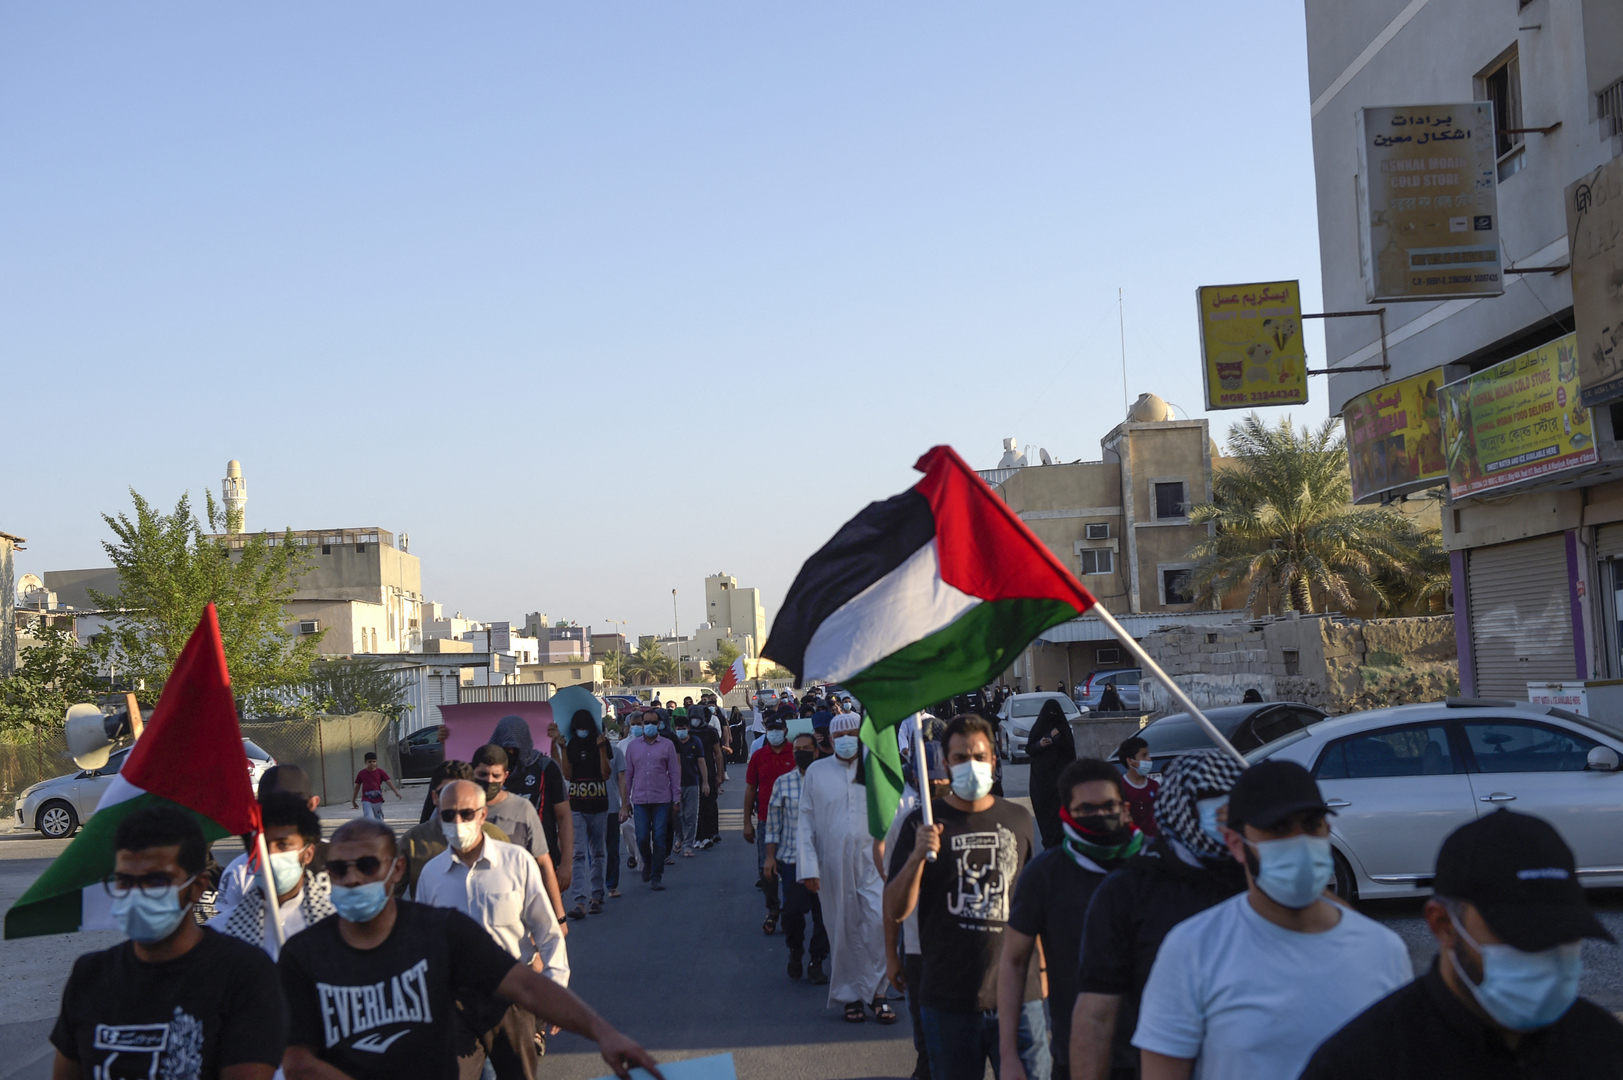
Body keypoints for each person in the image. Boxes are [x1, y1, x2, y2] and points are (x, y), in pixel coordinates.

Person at [278, 818, 659, 1080]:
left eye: (366, 865)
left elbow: (524, 985)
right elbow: (297, 1063)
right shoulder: (304, 954)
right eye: (341, 870)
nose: (353, 878)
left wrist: (603, 1032)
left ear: (396, 870)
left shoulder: (439, 931)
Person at [1132, 759, 1410, 1080]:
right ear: (1237, 845)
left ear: (1327, 830)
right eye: (1278, 828)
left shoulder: (1384, 950)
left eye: (1312, 823)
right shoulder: (1192, 950)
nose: (1299, 840)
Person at [1301, 808, 1623, 1079]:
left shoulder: (1604, 1045)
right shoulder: (1359, 1063)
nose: (1549, 953)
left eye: (1565, 931)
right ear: (1443, 925)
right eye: (1520, 933)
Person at [50, 805, 287, 1080]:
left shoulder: (244, 974)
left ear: (197, 887)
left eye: (156, 880)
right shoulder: (89, 975)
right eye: (125, 880)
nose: (137, 894)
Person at [885, 714, 1046, 1080]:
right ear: (945, 762)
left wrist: (1043, 966)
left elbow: (1031, 904)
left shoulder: (1019, 819)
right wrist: (915, 858)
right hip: (949, 999)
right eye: (959, 758)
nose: (970, 765)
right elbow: (895, 907)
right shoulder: (919, 823)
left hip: (1019, 997)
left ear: (993, 759)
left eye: (978, 756)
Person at [1070, 749, 1248, 1080]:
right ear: (1178, 805)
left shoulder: (1255, 876)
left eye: (1231, 800)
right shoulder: (1128, 892)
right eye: (1210, 801)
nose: (1223, 813)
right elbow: (1095, 1016)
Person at [999, 759, 1146, 1080]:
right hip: (1076, 1057)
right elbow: (1013, 961)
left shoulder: (1153, 866)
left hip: (1154, 1057)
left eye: (1108, 806)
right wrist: (1008, 1054)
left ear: (1124, 808)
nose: (1099, 816)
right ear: (1066, 812)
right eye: (1086, 810)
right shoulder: (1044, 875)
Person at [416, 781, 568, 1080]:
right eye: (448, 815)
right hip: (456, 1002)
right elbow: (422, 946)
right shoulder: (431, 875)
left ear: (483, 815)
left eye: (466, 813)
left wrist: (554, 993)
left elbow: (547, 932)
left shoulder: (516, 863)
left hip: (512, 1000)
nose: (458, 822)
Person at [798, 713, 892, 1023]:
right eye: (841, 735)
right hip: (832, 866)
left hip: (874, 862)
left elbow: (897, 813)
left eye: (853, 732)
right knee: (842, 929)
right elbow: (806, 821)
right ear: (831, 739)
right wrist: (808, 866)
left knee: (878, 923)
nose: (847, 739)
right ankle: (851, 996)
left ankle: (879, 993)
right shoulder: (816, 772)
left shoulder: (876, 767)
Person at [883, 740, 951, 1080]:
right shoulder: (909, 824)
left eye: (942, 781)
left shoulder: (992, 819)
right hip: (919, 949)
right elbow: (892, 894)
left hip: (973, 955)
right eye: (931, 781)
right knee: (929, 1048)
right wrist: (892, 955)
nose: (938, 788)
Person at [210, 792, 332, 961]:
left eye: (283, 845)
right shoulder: (219, 935)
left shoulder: (341, 927)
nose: (270, 855)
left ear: (308, 853)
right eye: (261, 846)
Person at [473, 744, 568, 928]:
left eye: (496, 776)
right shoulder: (460, 807)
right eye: (483, 775)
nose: (489, 781)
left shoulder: (522, 809)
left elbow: (544, 862)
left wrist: (559, 916)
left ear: (505, 777)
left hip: (518, 911)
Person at [762, 732, 831, 986]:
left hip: (825, 858)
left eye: (806, 748)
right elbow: (773, 823)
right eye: (797, 749)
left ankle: (817, 960)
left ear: (815, 751)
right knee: (791, 912)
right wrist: (770, 857)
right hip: (792, 858)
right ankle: (795, 949)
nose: (801, 752)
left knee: (823, 915)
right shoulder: (783, 783)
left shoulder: (827, 780)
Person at [214, 764, 325, 915]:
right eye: (271, 805)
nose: (282, 812)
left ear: (313, 804)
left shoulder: (339, 861)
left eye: (293, 805)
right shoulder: (239, 871)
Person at [399, 760, 510, 897]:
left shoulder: (496, 838)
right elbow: (388, 894)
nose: (453, 798)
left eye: (461, 791)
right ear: (434, 797)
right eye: (445, 792)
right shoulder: (414, 842)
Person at [490, 715, 574, 892]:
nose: (510, 753)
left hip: (543, 862)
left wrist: (566, 865)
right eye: (504, 748)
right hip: (498, 867)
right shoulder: (487, 773)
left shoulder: (544, 767)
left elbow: (564, 817)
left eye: (514, 748)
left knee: (548, 917)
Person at [554, 708, 612, 919]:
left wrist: (602, 749)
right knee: (578, 853)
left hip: (599, 805)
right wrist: (561, 749)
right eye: (578, 728)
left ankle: (596, 895)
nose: (582, 731)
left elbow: (606, 774)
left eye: (585, 728)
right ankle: (579, 900)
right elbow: (567, 774)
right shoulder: (571, 745)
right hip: (577, 805)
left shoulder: (601, 743)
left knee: (597, 852)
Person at [743, 714, 796, 932]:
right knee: (766, 869)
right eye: (770, 729)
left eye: (778, 729)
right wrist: (747, 821)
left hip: (793, 820)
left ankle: (791, 910)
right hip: (766, 819)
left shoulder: (795, 752)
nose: (774, 733)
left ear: (785, 730)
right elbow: (750, 789)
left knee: (791, 869)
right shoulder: (759, 756)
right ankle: (773, 908)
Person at [622, 711, 680, 891]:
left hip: (661, 799)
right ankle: (647, 861)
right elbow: (628, 775)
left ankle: (657, 875)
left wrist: (676, 798)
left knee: (660, 838)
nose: (649, 726)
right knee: (641, 838)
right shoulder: (633, 747)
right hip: (639, 799)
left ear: (659, 724)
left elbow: (674, 773)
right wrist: (625, 802)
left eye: (653, 723)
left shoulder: (667, 745)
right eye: (646, 722)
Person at [1026, 699, 1077, 849]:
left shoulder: (1064, 730)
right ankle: (1049, 845)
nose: (1052, 717)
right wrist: (1039, 744)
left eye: (1055, 714)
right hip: (1042, 785)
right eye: (1050, 714)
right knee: (1045, 819)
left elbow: (1071, 752)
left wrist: (1057, 738)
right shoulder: (1038, 729)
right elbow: (1030, 749)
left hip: (1061, 784)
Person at [672, 713, 711, 859]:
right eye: (678, 728)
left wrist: (705, 782)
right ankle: (679, 837)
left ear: (688, 728)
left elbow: (701, 762)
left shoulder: (696, 741)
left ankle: (688, 845)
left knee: (691, 815)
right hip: (675, 785)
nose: (680, 731)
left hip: (692, 783)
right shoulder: (673, 742)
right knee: (677, 814)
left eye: (683, 728)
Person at [1116, 737, 1159, 839]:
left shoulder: (1154, 786)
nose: (1149, 759)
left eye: (1148, 755)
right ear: (1130, 761)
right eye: (1144, 755)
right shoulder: (1119, 787)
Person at [694, 709, 724, 847]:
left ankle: (713, 832)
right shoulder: (687, 732)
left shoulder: (710, 731)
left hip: (710, 771)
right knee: (696, 806)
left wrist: (720, 773)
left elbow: (718, 753)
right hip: (692, 773)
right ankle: (699, 834)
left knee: (710, 803)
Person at [605, 731, 630, 897]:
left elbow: (622, 779)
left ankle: (611, 884)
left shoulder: (616, 752)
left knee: (612, 849)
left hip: (612, 808)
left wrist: (624, 805)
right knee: (593, 851)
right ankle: (596, 889)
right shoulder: (580, 752)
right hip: (589, 809)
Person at [352, 751, 401, 819]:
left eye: (374, 761)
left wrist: (396, 792)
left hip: (377, 798)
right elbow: (357, 787)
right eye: (369, 761)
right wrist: (353, 800)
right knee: (368, 817)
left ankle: (379, 828)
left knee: (378, 817)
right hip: (366, 798)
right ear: (365, 762)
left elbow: (388, 782)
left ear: (376, 762)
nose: (372, 763)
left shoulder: (380, 772)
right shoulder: (361, 773)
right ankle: (370, 829)